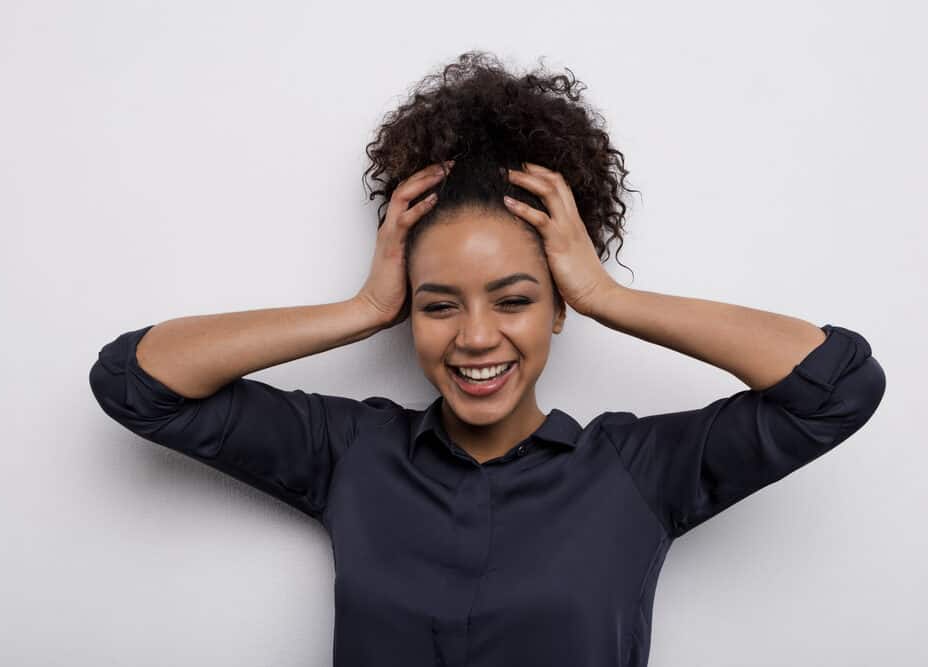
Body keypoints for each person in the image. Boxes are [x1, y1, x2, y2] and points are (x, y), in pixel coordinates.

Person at [88, 51, 886, 667]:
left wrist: (610, 296)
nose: (475, 336)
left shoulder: (638, 470)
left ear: (558, 304)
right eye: (439, 304)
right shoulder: (349, 453)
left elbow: (836, 387)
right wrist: (361, 309)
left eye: (514, 299)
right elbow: (139, 383)